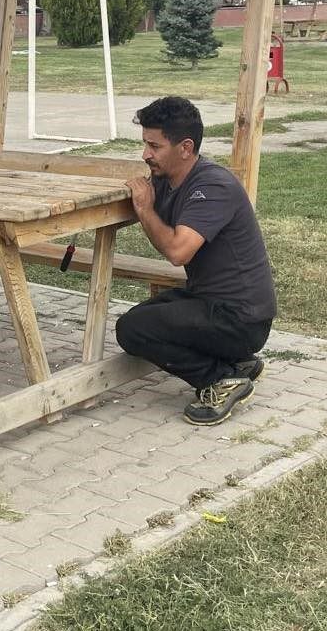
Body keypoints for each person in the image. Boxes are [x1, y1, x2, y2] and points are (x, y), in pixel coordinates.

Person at [115, 96, 275, 426]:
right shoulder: (169, 179)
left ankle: (218, 379)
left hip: (240, 318)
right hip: (211, 301)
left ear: (185, 147)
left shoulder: (212, 185)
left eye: (154, 146)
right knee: (139, 318)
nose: (146, 155)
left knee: (133, 330)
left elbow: (178, 252)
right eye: (145, 144)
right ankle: (239, 362)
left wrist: (144, 209)